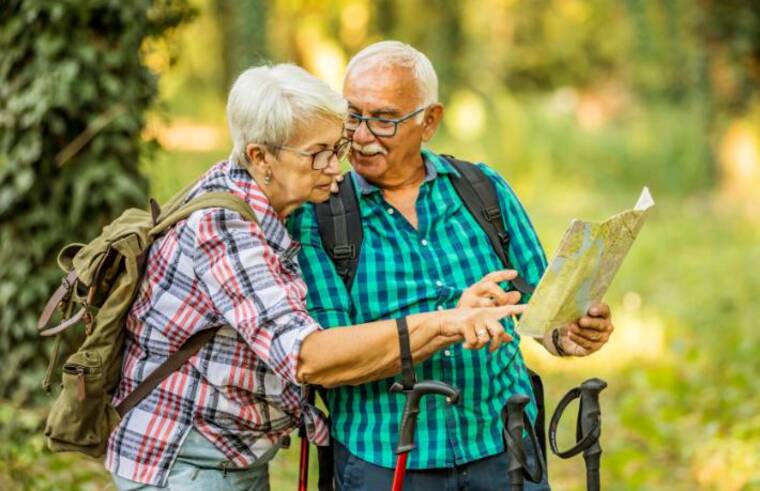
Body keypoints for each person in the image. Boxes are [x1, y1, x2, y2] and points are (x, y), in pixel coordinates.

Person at [106, 64, 525, 491]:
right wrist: (444, 321)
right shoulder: (224, 227)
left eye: (336, 147)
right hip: (184, 461)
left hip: (232, 454)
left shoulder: (271, 204)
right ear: (260, 157)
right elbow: (306, 356)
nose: (336, 167)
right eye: (318, 153)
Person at [288, 41, 615, 490]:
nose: (360, 136)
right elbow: (325, 358)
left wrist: (569, 334)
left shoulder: (482, 189)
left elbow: (543, 314)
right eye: (351, 116)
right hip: (387, 458)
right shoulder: (320, 214)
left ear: (429, 121)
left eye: (383, 119)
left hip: (504, 449)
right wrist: (447, 323)